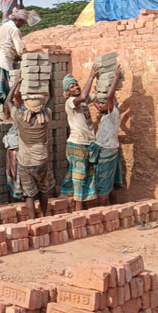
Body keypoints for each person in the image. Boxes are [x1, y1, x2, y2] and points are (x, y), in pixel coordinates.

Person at [5, 77, 54, 219]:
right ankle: (44, 215)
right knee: (44, 191)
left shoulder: (20, 118)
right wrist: (49, 82)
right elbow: (53, 98)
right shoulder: (45, 118)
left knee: (29, 194)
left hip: (26, 163)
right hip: (42, 161)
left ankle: (33, 220)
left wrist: (15, 84)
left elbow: (8, 101)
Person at [60, 66, 99, 210]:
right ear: (67, 92)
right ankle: (78, 209)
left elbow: (98, 95)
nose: (76, 87)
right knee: (79, 176)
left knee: (87, 175)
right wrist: (91, 75)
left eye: (76, 84)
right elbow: (82, 97)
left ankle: (72, 201)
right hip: (77, 143)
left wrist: (110, 80)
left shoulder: (84, 99)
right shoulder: (70, 102)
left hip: (88, 143)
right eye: (72, 86)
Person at [0, 9, 29, 121]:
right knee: (3, 89)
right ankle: (1, 115)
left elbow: (7, 45)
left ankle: (0, 115)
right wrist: (28, 57)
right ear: (18, 20)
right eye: (23, 23)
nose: (23, 25)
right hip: (2, 61)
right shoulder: (14, 29)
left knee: (0, 88)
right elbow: (20, 48)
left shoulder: (4, 26)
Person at [92, 67, 124, 206]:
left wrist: (116, 79)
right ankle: (113, 210)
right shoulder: (107, 113)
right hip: (110, 149)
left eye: (103, 103)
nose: (100, 105)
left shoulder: (112, 113)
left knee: (104, 186)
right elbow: (102, 105)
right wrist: (97, 96)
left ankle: (102, 210)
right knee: (110, 184)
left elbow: (109, 98)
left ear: (110, 104)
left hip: (107, 151)